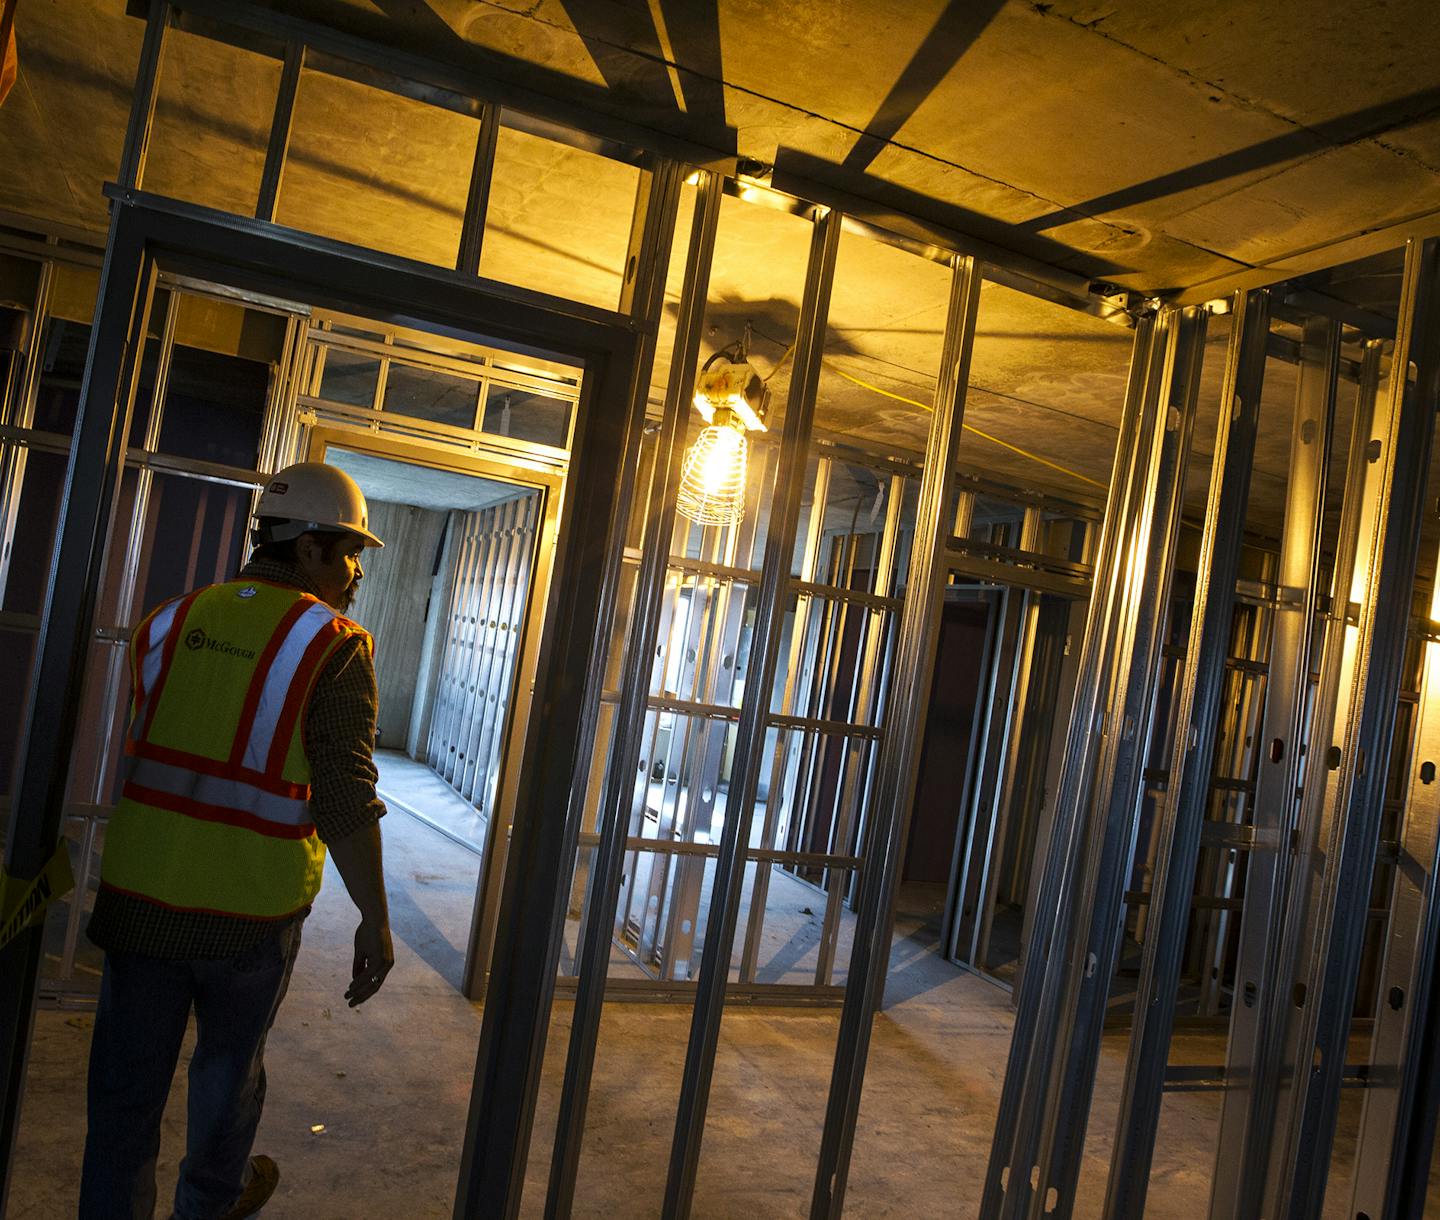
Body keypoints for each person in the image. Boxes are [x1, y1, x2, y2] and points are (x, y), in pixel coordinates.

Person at [79, 462, 394, 1220]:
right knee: (225, 1084)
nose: (353, 575)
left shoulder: (170, 620)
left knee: (124, 1100)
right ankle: (207, 1206)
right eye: (349, 552)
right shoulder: (336, 644)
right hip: (247, 918)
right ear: (311, 548)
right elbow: (346, 802)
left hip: (140, 902)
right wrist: (376, 919)